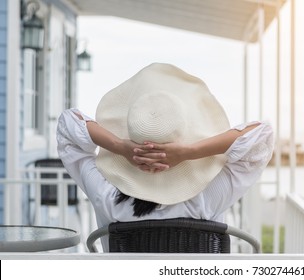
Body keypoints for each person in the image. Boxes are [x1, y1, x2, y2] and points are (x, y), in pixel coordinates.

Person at [57, 63, 274, 252]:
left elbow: (68, 125)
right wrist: (188, 152)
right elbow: (262, 134)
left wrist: (120, 147)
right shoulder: (206, 198)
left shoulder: (107, 196)